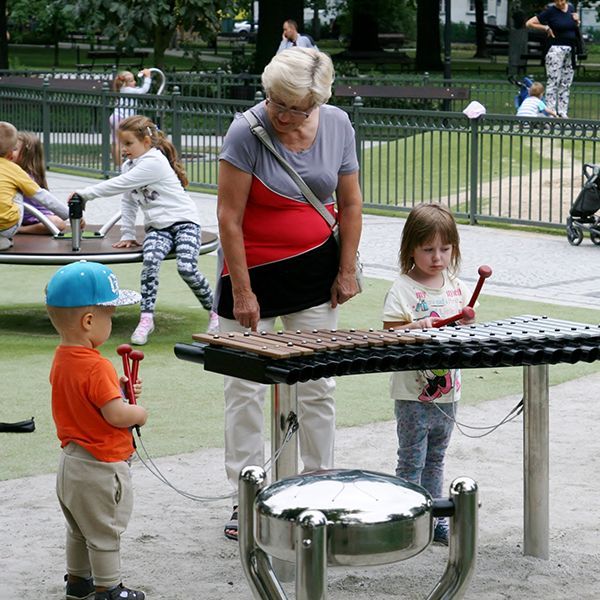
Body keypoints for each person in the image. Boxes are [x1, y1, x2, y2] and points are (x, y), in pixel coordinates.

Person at [216, 47, 362, 540]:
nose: (278, 113)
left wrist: (346, 270)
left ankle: (318, 485)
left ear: (316, 101)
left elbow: (350, 202)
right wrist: (243, 291)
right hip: (249, 272)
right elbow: (228, 218)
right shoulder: (247, 130)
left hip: (313, 271)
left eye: (292, 106)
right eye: (273, 100)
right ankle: (247, 495)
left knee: (318, 386)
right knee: (245, 390)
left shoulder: (338, 124)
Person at [46, 260, 147, 600]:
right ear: (89, 322)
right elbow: (118, 415)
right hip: (99, 466)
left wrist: (114, 388)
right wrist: (139, 411)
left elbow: (86, 398)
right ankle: (109, 588)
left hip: (71, 464)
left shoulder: (62, 359)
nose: (112, 322)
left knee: (78, 529)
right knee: (104, 532)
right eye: (110, 316)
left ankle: (78, 582)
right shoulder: (97, 365)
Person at [72, 115, 215, 345]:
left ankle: (214, 312)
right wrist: (128, 234)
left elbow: (118, 185)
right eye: (122, 144)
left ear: (146, 142)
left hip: (185, 223)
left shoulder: (153, 161)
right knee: (150, 263)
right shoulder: (129, 166)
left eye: (129, 144)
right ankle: (146, 318)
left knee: (186, 268)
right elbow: (128, 201)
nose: (124, 149)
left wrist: (85, 193)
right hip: (158, 228)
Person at [381, 203, 476, 546]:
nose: (438, 257)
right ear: (410, 249)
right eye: (428, 249)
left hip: (449, 393)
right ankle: (407, 523)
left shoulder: (457, 287)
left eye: (445, 249)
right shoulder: (403, 289)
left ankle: (435, 520)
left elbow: (467, 329)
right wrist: (413, 326)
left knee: (436, 459)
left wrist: (468, 323)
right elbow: (389, 335)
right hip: (412, 394)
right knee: (411, 460)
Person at [0, 121, 68, 250]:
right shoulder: (14, 170)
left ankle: (11, 234)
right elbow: (42, 196)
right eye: (13, 149)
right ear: (9, 153)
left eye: (16, 149)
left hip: (30, 217)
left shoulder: (21, 173)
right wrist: (71, 214)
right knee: (16, 192)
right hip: (7, 226)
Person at [526, 1, 580, 118]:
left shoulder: (571, 8)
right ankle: (551, 113)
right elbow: (529, 23)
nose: (561, 3)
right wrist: (545, 27)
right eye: (558, 1)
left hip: (570, 49)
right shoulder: (551, 11)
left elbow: (574, 27)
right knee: (554, 81)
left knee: (566, 83)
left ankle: (562, 112)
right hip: (556, 49)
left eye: (562, 0)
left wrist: (577, 20)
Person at [13, 131, 67, 234]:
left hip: (34, 216)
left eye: (14, 149)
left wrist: (69, 214)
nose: (9, 151)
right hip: (15, 214)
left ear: (27, 155)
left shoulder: (25, 177)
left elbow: (45, 198)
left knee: (58, 223)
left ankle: (21, 230)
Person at [110, 69, 152, 168]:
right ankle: (120, 167)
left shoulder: (123, 89)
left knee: (115, 142)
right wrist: (148, 77)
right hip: (121, 118)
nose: (135, 82)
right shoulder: (128, 90)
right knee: (120, 143)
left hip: (115, 117)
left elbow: (138, 89)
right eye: (132, 81)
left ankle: (117, 166)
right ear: (125, 83)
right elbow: (143, 90)